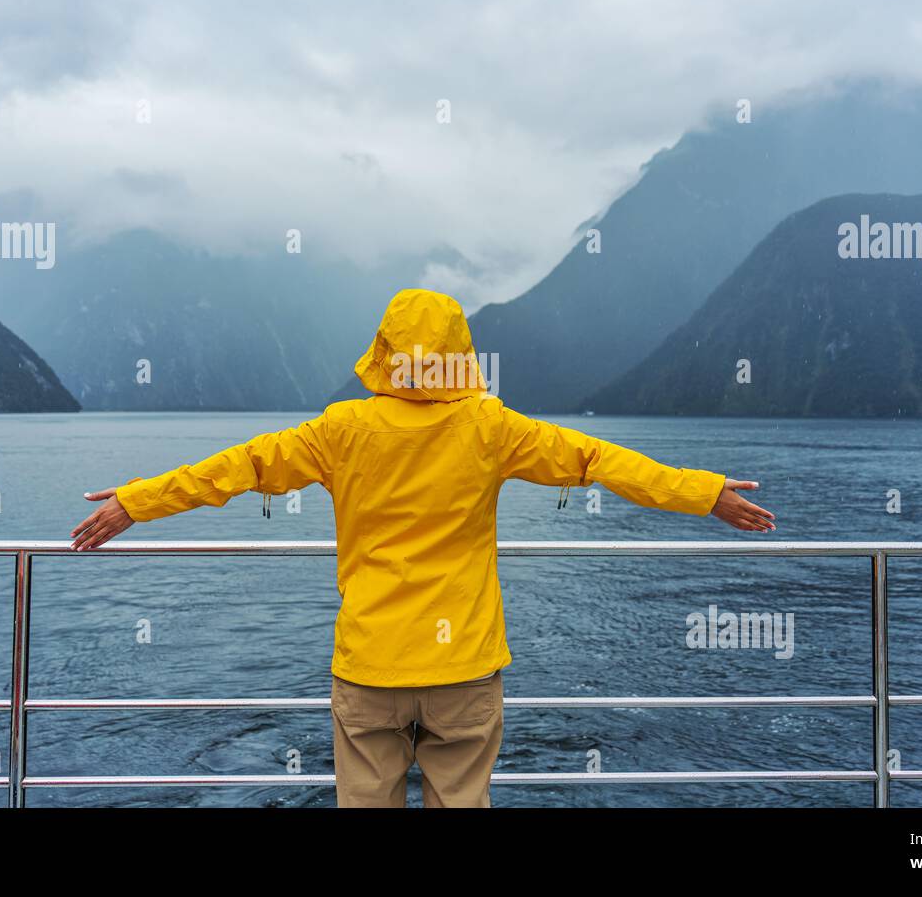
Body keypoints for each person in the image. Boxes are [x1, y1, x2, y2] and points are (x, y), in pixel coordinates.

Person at [70, 288, 775, 807]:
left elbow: (237, 468)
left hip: (371, 666)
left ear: (383, 352)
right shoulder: (490, 428)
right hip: (464, 668)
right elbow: (598, 460)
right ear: (459, 355)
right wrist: (703, 491)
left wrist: (138, 500)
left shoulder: (340, 430)